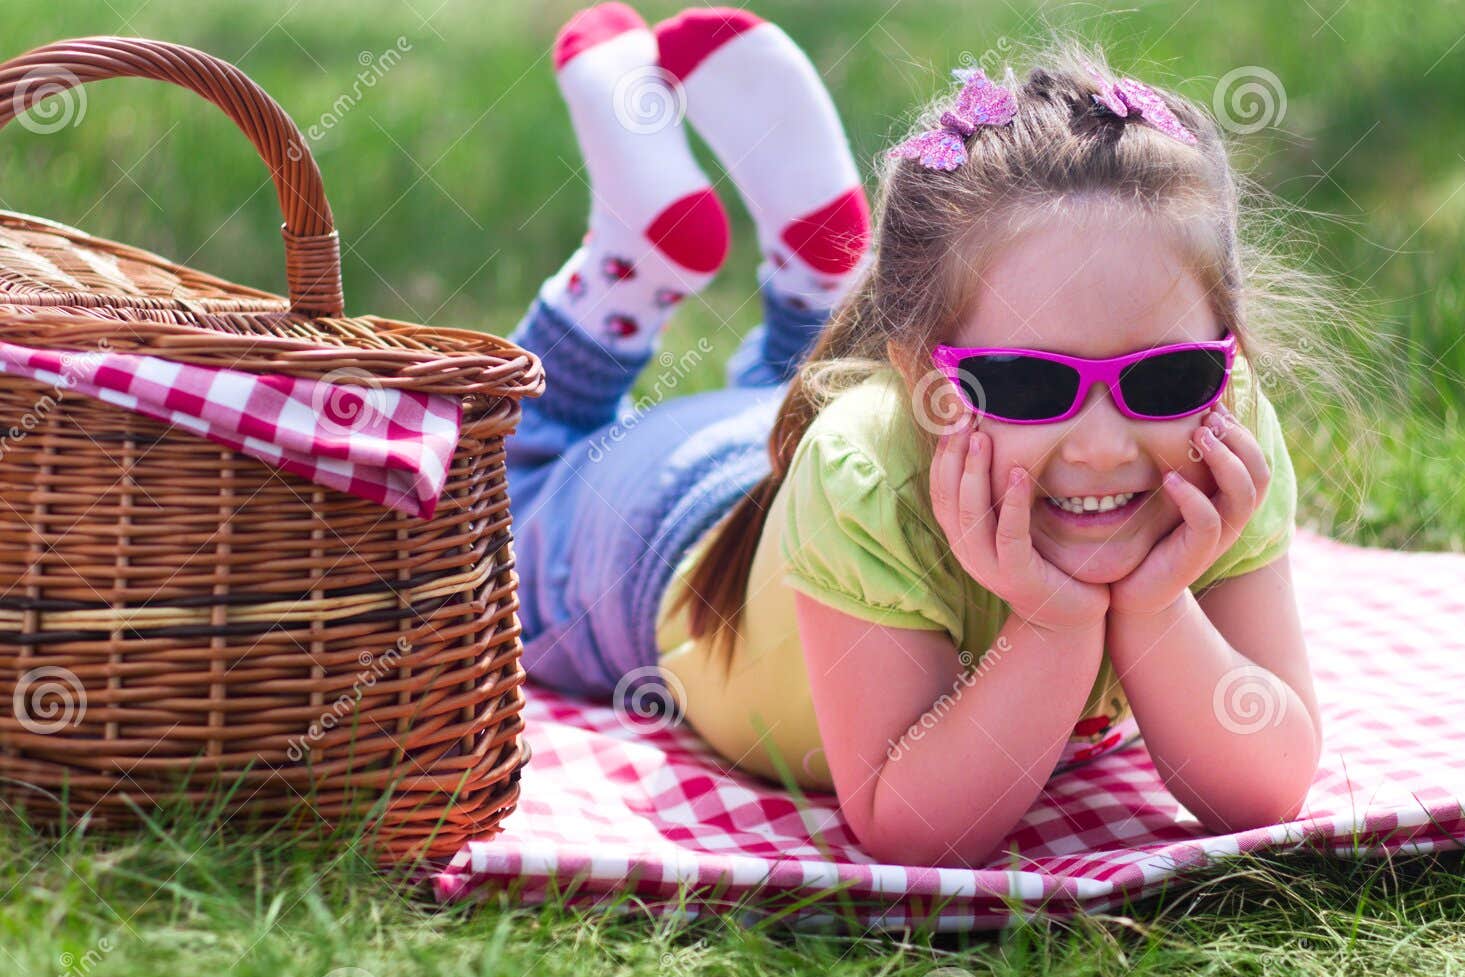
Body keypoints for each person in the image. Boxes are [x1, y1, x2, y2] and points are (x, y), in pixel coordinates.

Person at [507, 3, 1329, 868]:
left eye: (1164, 376)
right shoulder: (862, 465)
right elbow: (915, 832)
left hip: (802, 431)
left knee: (790, 396)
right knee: (511, 481)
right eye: (1024, 381)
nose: (1102, 446)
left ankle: (813, 292)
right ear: (923, 378)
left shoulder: (1220, 432)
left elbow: (1262, 791)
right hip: (653, 531)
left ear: (1222, 357)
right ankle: (631, 262)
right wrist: (1052, 627)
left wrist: (1157, 606)